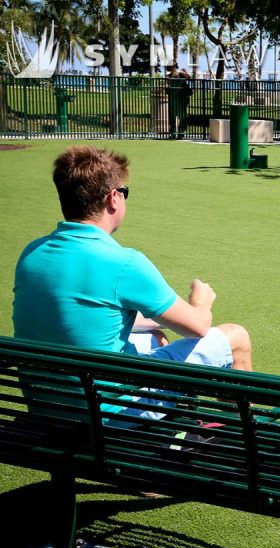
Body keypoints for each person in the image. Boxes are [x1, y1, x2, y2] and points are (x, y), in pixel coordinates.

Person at [12, 146, 253, 423]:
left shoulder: (32, 254)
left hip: (51, 412)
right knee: (236, 337)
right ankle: (236, 438)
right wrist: (201, 301)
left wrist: (155, 321)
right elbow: (198, 328)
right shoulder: (124, 263)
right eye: (124, 192)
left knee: (153, 337)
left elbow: (86, 315)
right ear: (113, 198)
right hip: (112, 417)